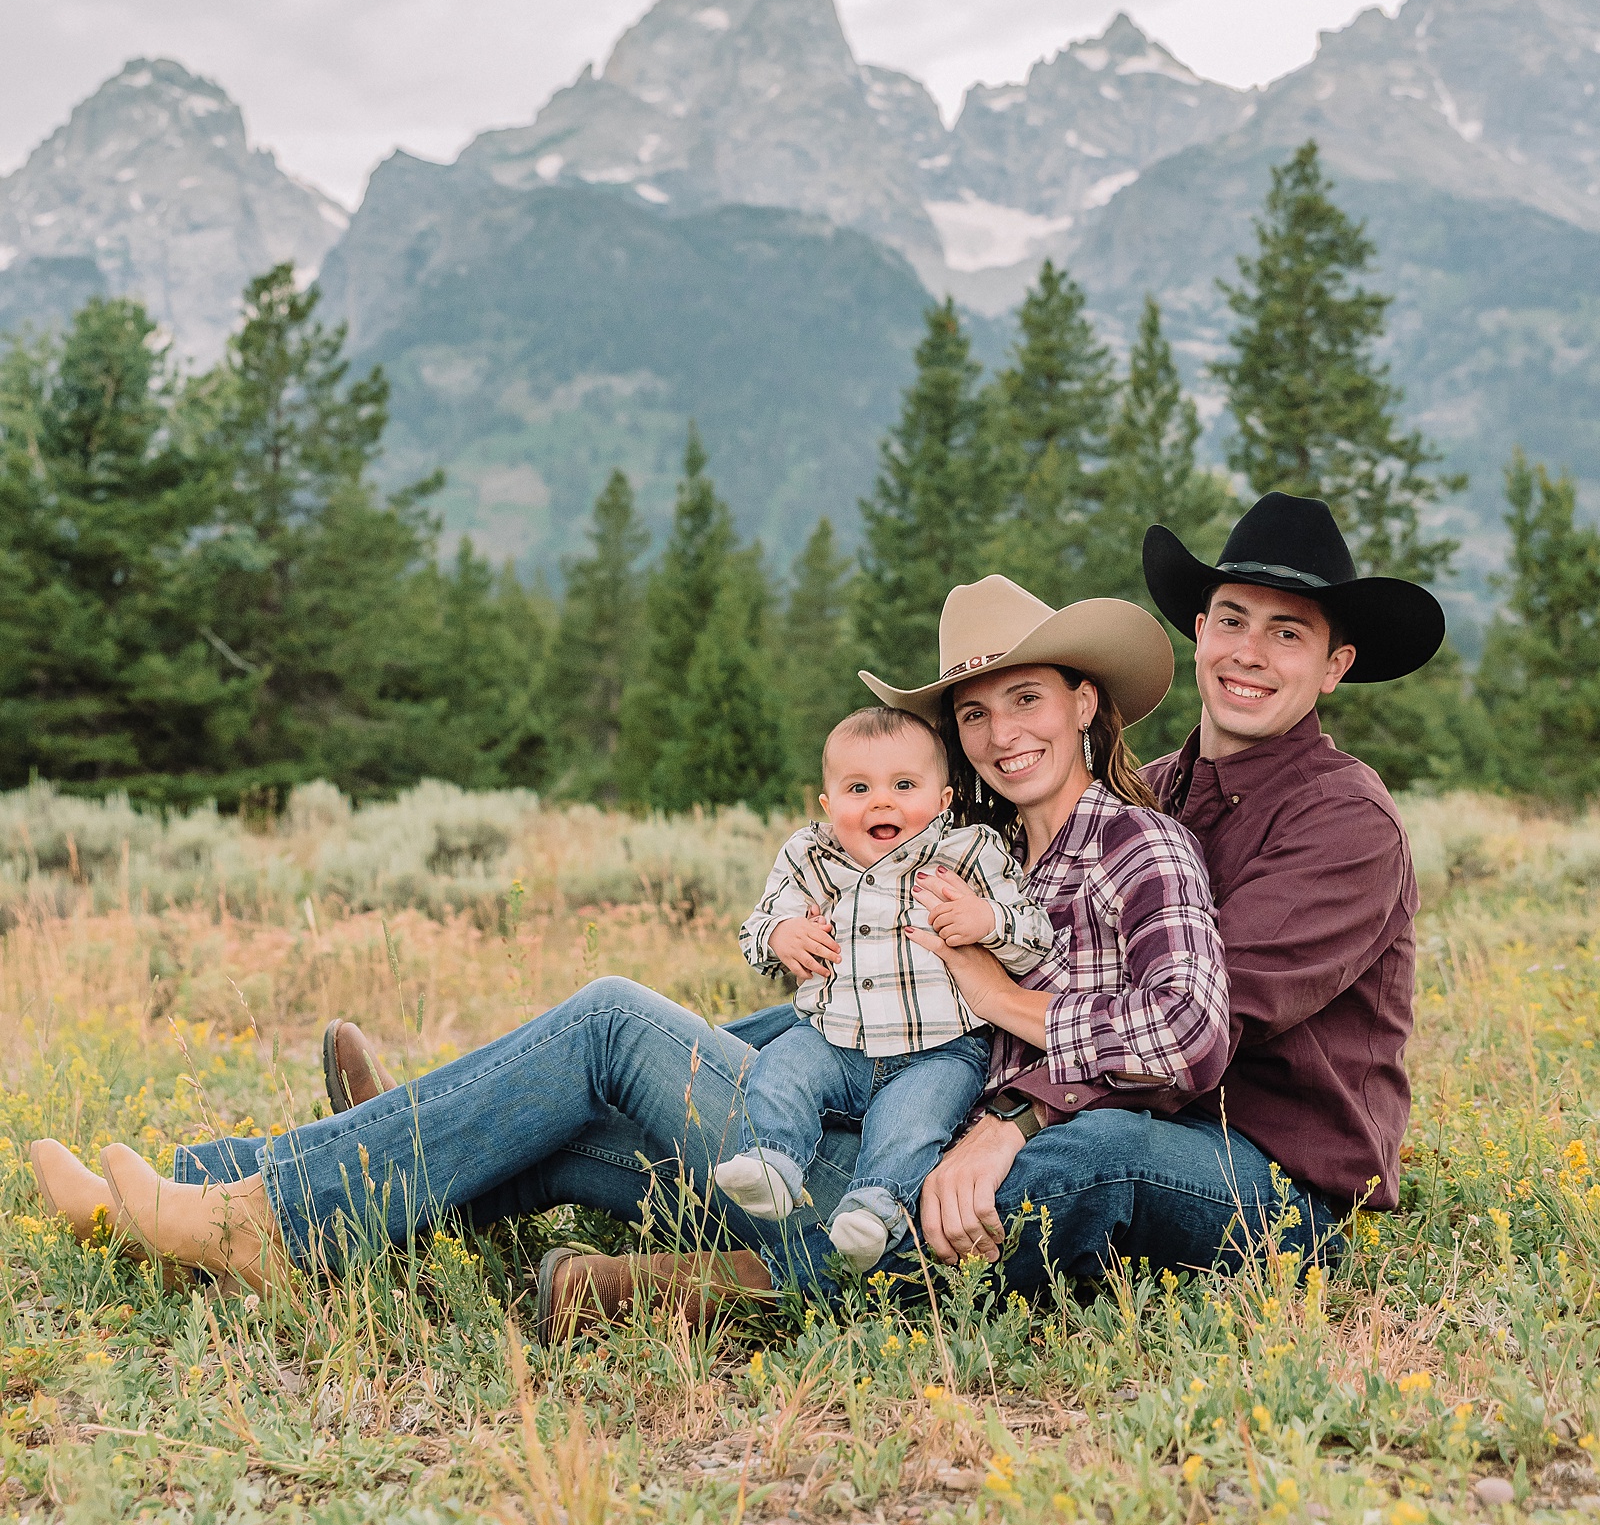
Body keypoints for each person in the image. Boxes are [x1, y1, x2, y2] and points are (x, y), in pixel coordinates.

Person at [27, 586, 1231, 1320]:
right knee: (572, 1115)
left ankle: (261, 1216)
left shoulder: (1137, 848)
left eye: (1027, 700)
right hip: (851, 1139)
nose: (1001, 731)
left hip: (902, 1201)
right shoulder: (969, 846)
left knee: (610, 1023)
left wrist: (995, 1001)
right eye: (974, 711)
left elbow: (1187, 1036)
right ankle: (207, 1191)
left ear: (1085, 704)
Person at [911, 491, 1445, 1284]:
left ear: (1335, 665)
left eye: (1287, 632)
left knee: (1096, 1157)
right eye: (1232, 620)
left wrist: (1020, 1112)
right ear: (1200, 632)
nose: (1248, 652)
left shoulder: (1345, 819)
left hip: (1266, 1175)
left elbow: (1203, 1020)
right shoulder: (1146, 793)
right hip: (1115, 1113)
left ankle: (814, 1267)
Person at [715, 703, 1053, 1267]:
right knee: (781, 1068)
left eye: (903, 785)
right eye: (858, 788)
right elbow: (756, 930)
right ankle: (773, 1161)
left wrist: (987, 920)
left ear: (943, 801)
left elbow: (1036, 935)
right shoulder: (810, 856)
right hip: (832, 1038)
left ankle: (874, 1209)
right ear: (828, 805)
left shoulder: (969, 852)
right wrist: (781, 935)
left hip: (940, 1050)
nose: (881, 802)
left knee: (914, 1124)